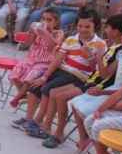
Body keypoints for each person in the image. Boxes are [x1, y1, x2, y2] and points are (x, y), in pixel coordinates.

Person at [19, 9, 104, 140]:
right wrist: (44, 76)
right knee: (35, 86)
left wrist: (90, 57)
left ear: (96, 27)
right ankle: (31, 119)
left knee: (48, 89)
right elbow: (58, 59)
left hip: (79, 76)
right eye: (80, 26)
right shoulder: (71, 39)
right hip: (63, 71)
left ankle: (41, 124)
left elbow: (96, 70)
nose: (82, 29)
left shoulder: (100, 44)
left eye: (87, 26)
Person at [71, 22, 122, 154]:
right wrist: (98, 56)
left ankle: (99, 149)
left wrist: (103, 92)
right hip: (112, 89)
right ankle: (85, 138)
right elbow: (105, 74)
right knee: (75, 103)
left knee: (86, 112)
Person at [8, 8, 63, 110]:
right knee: (15, 74)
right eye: (43, 19)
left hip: (44, 62)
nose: (45, 22)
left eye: (49, 20)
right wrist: (31, 32)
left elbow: (53, 46)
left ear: (56, 22)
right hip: (31, 59)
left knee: (30, 77)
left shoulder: (58, 33)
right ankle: (23, 95)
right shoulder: (37, 30)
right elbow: (27, 43)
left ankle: (17, 97)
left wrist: (45, 32)